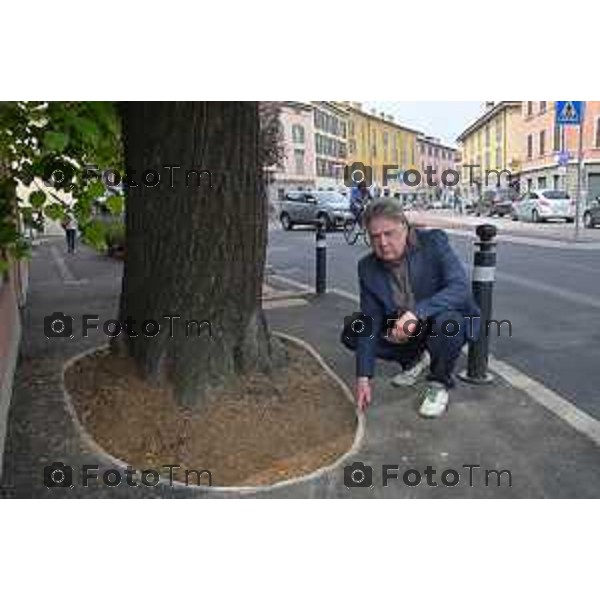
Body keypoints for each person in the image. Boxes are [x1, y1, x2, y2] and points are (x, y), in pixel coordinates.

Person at [341, 198, 480, 418]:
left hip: (444, 319)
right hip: (406, 327)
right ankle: (415, 361)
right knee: (353, 330)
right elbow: (370, 320)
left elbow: (460, 288)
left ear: (404, 227)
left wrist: (417, 313)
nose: (383, 243)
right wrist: (363, 377)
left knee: (448, 323)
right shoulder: (367, 267)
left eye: (389, 233)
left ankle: (438, 384)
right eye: (375, 237)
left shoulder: (433, 243)